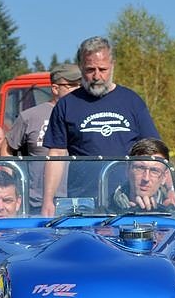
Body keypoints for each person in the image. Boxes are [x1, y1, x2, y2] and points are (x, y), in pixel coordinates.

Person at [41, 36, 159, 216]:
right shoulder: (66, 105)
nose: (96, 76)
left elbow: (153, 151)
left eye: (102, 69)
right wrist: (48, 200)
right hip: (83, 202)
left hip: (128, 199)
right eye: (90, 70)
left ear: (112, 65)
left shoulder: (132, 101)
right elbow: (56, 154)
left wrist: (164, 189)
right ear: (80, 67)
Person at [2, 63, 81, 211]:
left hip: (78, 200)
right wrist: (10, 179)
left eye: (80, 85)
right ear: (55, 88)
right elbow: (7, 146)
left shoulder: (86, 115)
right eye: (72, 85)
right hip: (37, 202)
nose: (78, 89)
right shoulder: (30, 116)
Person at [112, 138, 175, 212]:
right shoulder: (103, 213)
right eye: (140, 168)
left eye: (154, 171)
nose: (146, 178)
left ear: (164, 177)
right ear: (128, 170)